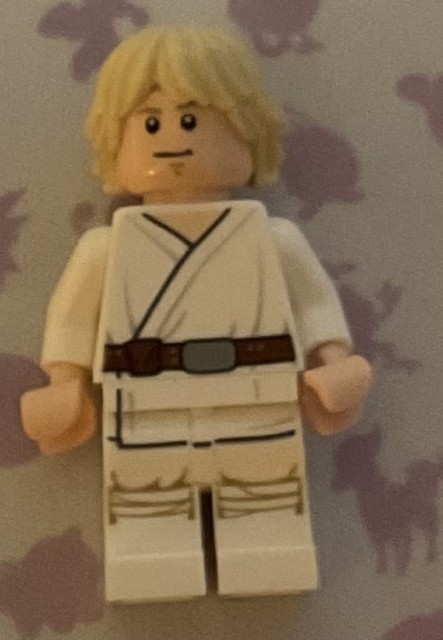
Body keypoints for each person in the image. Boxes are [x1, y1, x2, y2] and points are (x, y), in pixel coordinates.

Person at [21, 26, 371, 602]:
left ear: (248, 130)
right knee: (148, 508)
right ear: (115, 140)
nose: (172, 141)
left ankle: (268, 560)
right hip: (145, 403)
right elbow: (74, 321)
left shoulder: (274, 239)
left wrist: (335, 360)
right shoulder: (106, 248)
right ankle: (153, 565)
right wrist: (64, 380)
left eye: (192, 121)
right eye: (150, 124)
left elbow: (313, 303)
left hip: (255, 396)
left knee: (264, 501)